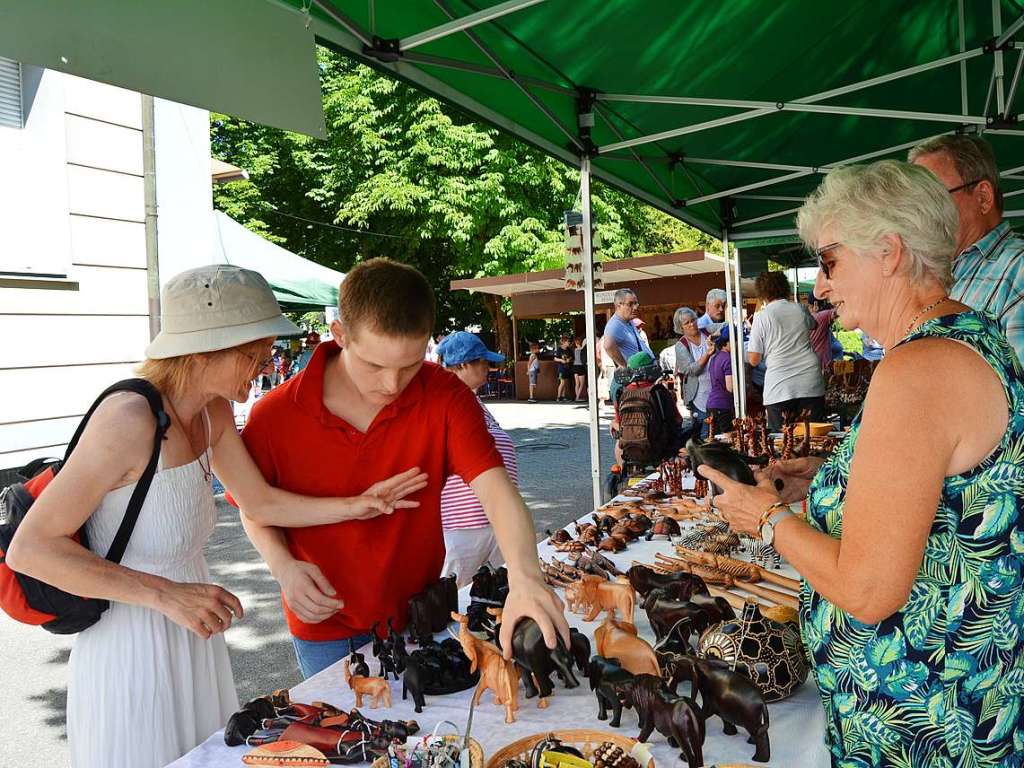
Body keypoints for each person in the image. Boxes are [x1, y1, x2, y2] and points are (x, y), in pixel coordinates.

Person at [4, 265, 427, 768]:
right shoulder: (128, 418)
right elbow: (31, 549)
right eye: (254, 353)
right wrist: (165, 595)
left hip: (192, 629)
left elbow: (261, 502)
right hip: (130, 642)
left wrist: (359, 504)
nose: (267, 364)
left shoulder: (213, 412)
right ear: (203, 351)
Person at [701, 159, 1024, 766]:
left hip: (926, 721)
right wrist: (825, 478)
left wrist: (765, 517)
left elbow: (869, 590)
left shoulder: (918, 370)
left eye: (829, 260)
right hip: (957, 698)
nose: (821, 285)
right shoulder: (964, 336)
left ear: (890, 252)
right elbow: (945, 493)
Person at [235, 258, 568, 678]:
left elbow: (498, 493)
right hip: (322, 622)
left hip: (420, 614)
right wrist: (282, 566)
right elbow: (254, 507)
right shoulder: (274, 415)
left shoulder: (445, 395)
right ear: (339, 335)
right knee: (348, 735)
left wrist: (524, 576)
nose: (392, 385)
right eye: (374, 366)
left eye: (410, 365)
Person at [910, 134, 1024, 361]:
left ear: (982, 197)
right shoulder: (937, 273)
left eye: (933, 198)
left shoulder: (1018, 271)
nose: (919, 214)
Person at [436, 332, 519, 587]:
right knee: (453, 597)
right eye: (482, 361)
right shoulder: (443, 403)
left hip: (492, 520)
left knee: (493, 592)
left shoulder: (473, 400)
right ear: (462, 365)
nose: (488, 366)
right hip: (464, 525)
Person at [747, 271, 825, 431]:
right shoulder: (800, 309)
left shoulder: (762, 317)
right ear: (784, 287)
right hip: (810, 381)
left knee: (782, 443)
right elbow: (814, 325)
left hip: (779, 385)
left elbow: (754, 359)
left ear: (762, 293)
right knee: (812, 439)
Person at [673, 307, 715, 439]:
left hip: (717, 391)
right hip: (698, 396)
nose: (692, 324)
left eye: (693, 320)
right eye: (687, 323)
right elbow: (690, 370)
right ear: (681, 327)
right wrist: (707, 354)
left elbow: (727, 325)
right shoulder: (681, 345)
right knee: (704, 433)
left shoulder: (707, 331)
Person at [602, 288, 653, 367]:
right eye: (630, 304)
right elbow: (608, 345)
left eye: (636, 303)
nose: (635, 307)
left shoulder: (628, 320)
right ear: (619, 305)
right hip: (633, 376)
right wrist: (624, 366)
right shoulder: (615, 324)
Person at [705, 325, 734, 435]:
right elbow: (730, 388)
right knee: (727, 441)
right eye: (735, 341)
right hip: (723, 406)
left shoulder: (715, 357)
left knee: (715, 443)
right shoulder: (728, 359)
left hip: (711, 404)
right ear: (726, 343)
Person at [808, 296, 837, 373]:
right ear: (815, 304)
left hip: (810, 366)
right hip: (822, 367)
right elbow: (838, 311)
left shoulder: (805, 319)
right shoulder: (821, 317)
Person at [555, 335, 573, 402]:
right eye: (568, 341)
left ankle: (563, 396)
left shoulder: (569, 349)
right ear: (564, 342)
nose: (569, 342)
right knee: (562, 383)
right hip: (561, 369)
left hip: (567, 368)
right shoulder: (559, 349)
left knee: (564, 383)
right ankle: (558, 397)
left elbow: (571, 357)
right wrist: (561, 360)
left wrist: (569, 359)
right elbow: (555, 358)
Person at [572, 336, 588, 402]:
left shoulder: (575, 350)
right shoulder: (583, 349)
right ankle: (577, 398)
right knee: (581, 384)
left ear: (576, 343)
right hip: (581, 367)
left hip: (575, 367)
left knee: (577, 384)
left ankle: (577, 397)